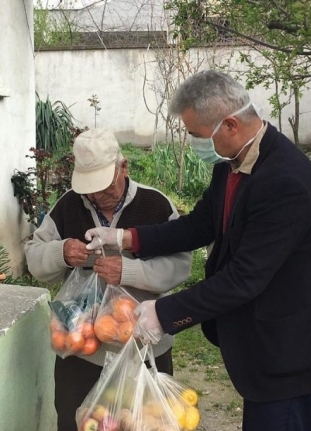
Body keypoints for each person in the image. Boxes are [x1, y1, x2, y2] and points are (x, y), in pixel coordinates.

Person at [84, 71, 311, 431]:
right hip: (263, 347)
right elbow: (199, 226)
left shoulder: (286, 182)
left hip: (291, 352)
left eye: (196, 135)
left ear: (229, 125)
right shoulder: (232, 165)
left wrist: (164, 313)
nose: (195, 143)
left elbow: (244, 278)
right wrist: (125, 238)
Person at [24, 128, 192, 431]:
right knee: (73, 422)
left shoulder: (155, 205)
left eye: (104, 186)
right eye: (90, 188)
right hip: (81, 350)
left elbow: (180, 265)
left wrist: (128, 271)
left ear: (123, 167)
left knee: (144, 425)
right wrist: (60, 252)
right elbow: (34, 258)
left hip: (143, 348)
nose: (96, 196)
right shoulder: (68, 205)